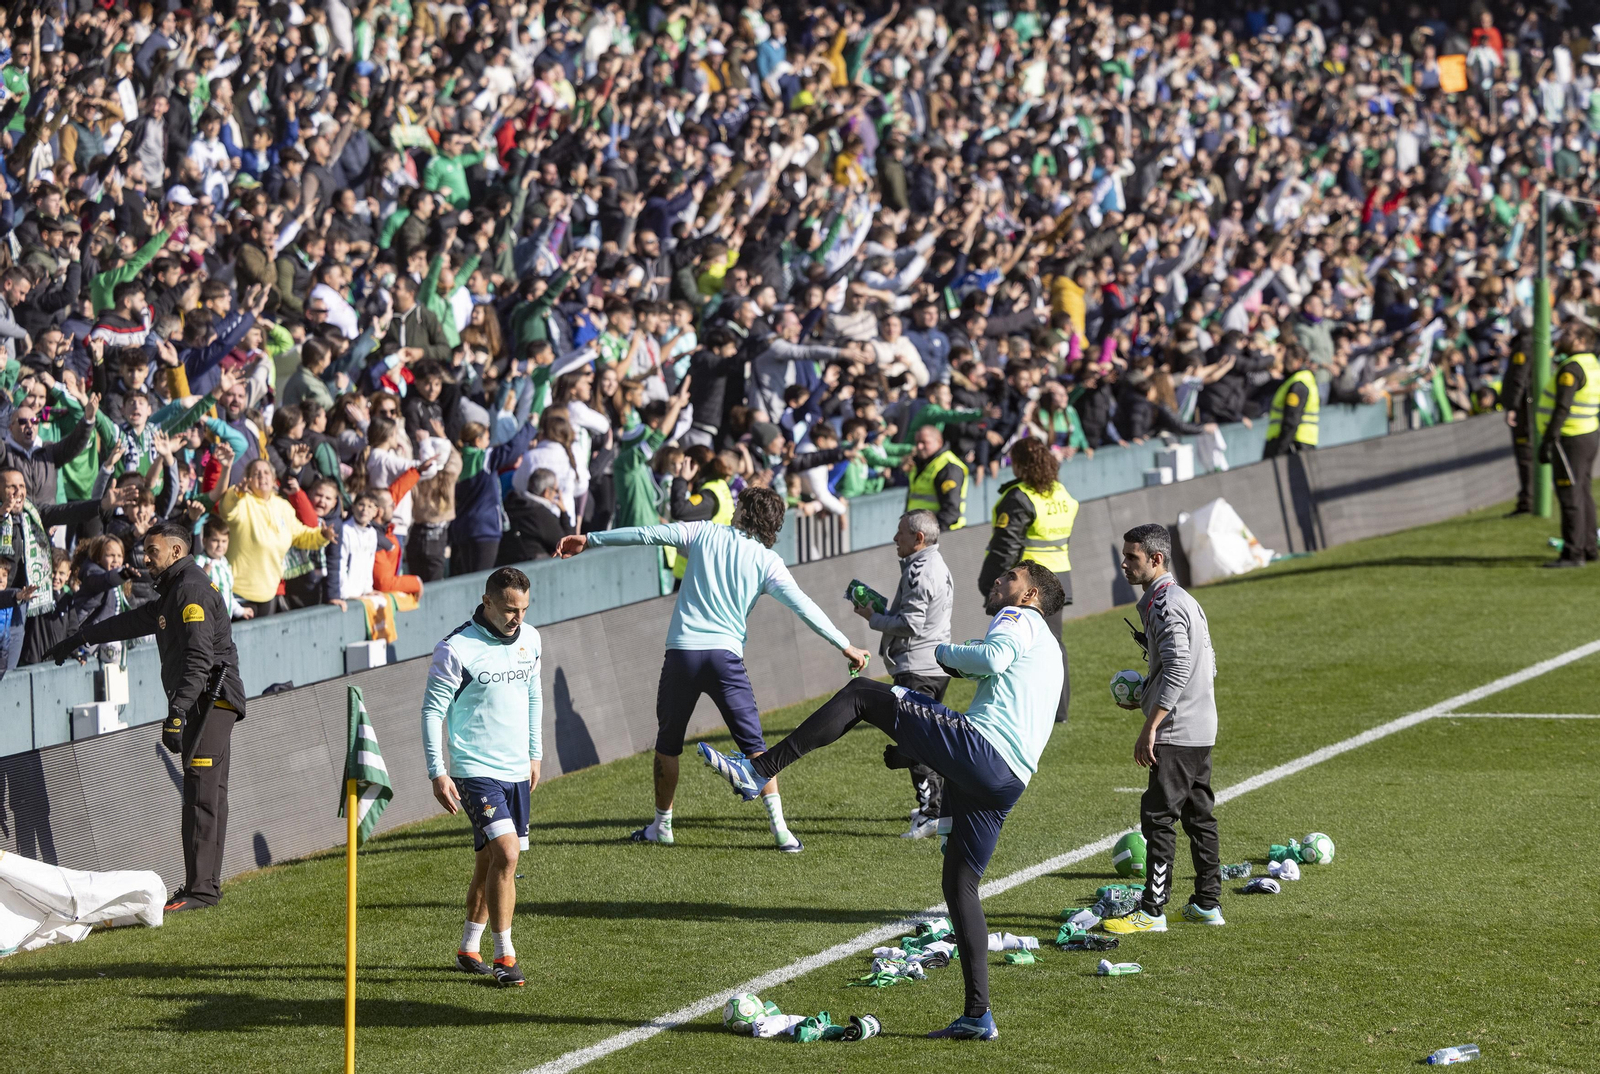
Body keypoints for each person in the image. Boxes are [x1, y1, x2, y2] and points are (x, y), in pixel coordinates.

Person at [698, 561, 1066, 1040]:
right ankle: (978, 1014)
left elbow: (992, 660)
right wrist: (920, 746)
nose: (999, 579)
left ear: (1030, 594)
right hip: (1008, 779)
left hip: (983, 752)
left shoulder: (1017, 619)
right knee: (960, 885)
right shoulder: (1051, 647)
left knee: (862, 695)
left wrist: (947, 653)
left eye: (1010, 578)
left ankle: (757, 770)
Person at [555, 486, 870, 851]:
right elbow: (805, 608)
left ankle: (663, 825)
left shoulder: (704, 532)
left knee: (668, 745)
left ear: (743, 512)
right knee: (756, 749)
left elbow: (645, 534)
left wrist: (589, 539)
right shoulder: (768, 562)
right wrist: (846, 645)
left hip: (683, 656)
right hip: (725, 661)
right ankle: (781, 831)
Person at [49, 520, 248, 912]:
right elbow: (134, 621)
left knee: (200, 796)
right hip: (207, 702)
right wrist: (82, 637)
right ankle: (203, 886)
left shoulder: (189, 590)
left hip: (208, 701)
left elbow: (198, 660)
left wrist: (177, 712)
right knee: (208, 795)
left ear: (176, 551)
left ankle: (201, 892)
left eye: (151, 551)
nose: (145, 558)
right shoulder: (177, 589)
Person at [421, 567, 543, 988]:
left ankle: (467, 947)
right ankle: (504, 957)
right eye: (510, 609)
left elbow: (533, 694)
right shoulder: (456, 649)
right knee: (508, 855)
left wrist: (535, 752)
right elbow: (432, 712)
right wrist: (438, 771)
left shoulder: (531, 639)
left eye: (524, 609)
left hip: (515, 769)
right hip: (474, 770)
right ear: (487, 601)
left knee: (490, 860)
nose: (518, 618)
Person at [1104, 523, 1223, 934]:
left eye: (1132, 557)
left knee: (1157, 816)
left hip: (1177, 728)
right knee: (1199, 817)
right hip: (1200, 724)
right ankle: (1207, 903)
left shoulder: (1167, 605)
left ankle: (1153, 911)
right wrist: (1145, 697)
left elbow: (1177, 666)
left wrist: (1151, 724)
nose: (1124, 563)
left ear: (1156, 560)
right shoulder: (1181, 599)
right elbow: (1202, 664)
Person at [853, 509, 954, 839]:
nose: (896, 538)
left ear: (919, 538)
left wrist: (874, 618)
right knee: (929, 739)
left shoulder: (920, 572)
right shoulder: (933, 564)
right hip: (933, 665)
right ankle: (938, 805)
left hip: (917, 669)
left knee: (915, 740)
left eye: (901, 533)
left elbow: (911, 624)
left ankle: (930, 813)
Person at [979, 437, 1077, 724]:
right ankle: (1058, 711)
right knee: (1054, 645)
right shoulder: (1060, 492)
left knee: (1013, 645)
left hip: (1026, 585)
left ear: (1020, 465)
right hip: (1059, 579)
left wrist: (991, 584)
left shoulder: (1020, 496)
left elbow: (1004, 549)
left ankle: (1021, 710)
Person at [1538, 326, 1600, 567]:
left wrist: (1548, 440)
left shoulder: (1572, 368)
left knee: (1570, 495)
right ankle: (1589, 547)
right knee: (1583, 492)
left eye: (1567, 335)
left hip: (1570, 438)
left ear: (1580, 340)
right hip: (1588, 435)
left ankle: (1573, 554)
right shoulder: (1592, 364)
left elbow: (1562, 407)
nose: (1562, 338)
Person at [906, 425, 969, 531]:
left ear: (939, 442)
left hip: (944, 534)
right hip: (920, 532)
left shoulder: (948, 467)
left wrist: (931, 535)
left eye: (924, 442)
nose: (919, 447)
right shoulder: (920, 464)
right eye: (917, 443)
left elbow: (950, 511)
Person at [1263, 345, 1320, 459]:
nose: (1284, 362)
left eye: (1287, 359)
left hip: (1293, 444)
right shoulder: (1305, 379)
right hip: (1301, 442)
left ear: (1298, 361)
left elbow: (1291, 420)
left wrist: (1280, 450)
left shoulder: (1298, 384)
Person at [1500, 334, 1535, 516]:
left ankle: (1528, 500)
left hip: (1524, 410)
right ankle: (1529, 497)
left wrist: (1512, 406)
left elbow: (1519, 377)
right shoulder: (1532, 341)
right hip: (1529, 407)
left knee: (1525, 456)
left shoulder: (1524, 344)